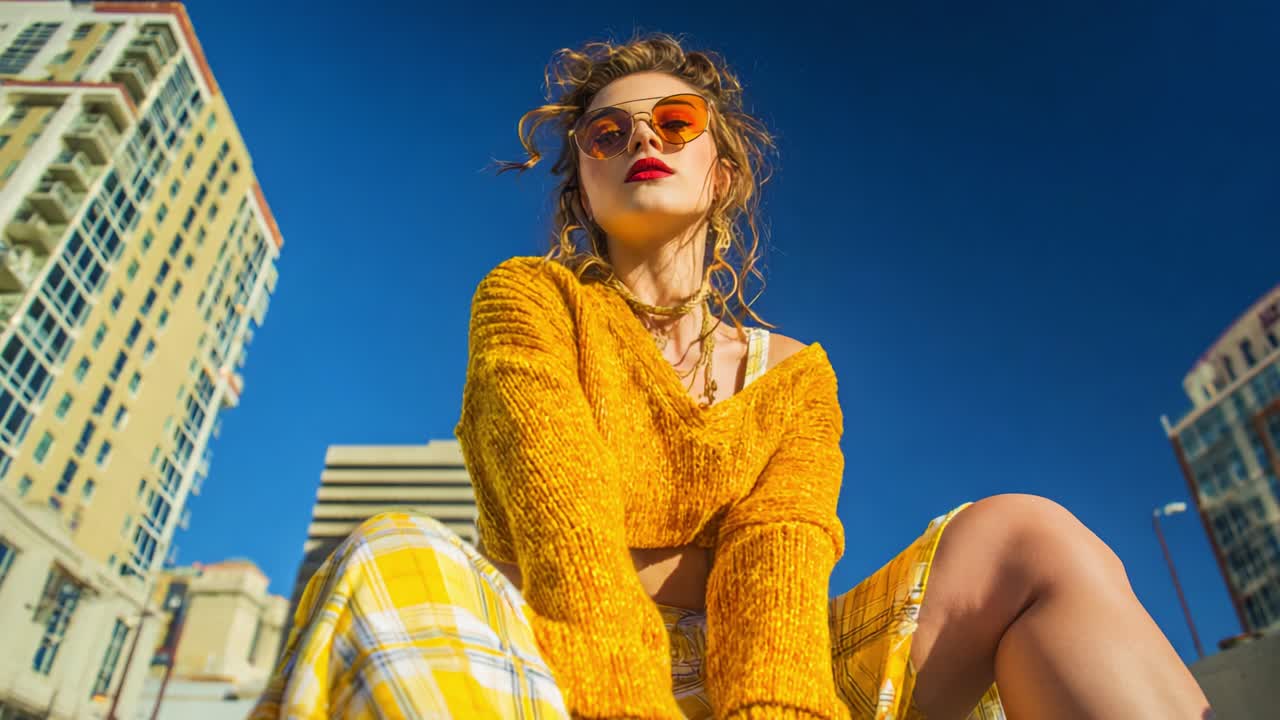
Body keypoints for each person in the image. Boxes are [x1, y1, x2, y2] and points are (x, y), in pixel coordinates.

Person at [250, 33, 1212, 720]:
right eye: (607, 134)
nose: (642, 141)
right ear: (582, 182)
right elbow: (565, 531)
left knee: (1029, 536)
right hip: (554, 658)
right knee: (387, 550)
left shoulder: (795, 377)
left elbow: (777, 567)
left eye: (674, 122)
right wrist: (658, 649)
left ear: (721, 170)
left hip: (771, 668)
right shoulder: (530, 302)